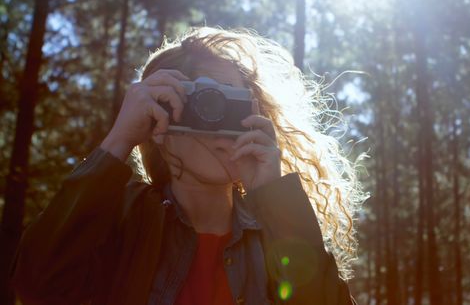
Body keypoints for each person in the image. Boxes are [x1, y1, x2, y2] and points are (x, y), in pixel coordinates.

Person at [10, 27, 367, 304]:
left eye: (232, 104)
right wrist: (117, 141)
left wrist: (273, 196)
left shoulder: (272, 234)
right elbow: (38, 286)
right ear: (157, 123)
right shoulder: (120, 217)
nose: (220, 124)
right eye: (203, 102)